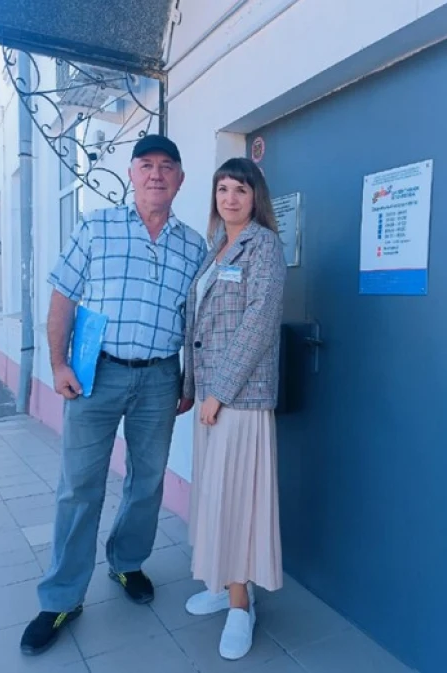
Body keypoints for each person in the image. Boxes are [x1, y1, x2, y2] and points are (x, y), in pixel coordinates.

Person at [19, 135, 207, 656]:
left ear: (180, 179)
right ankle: (62, 597)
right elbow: (63, 294)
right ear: (130, 174)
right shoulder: (96, 227)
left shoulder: (194, 246)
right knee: (79, 486)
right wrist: (57, 363)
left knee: (147, 481)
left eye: (166, 166)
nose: (156, 175)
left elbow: (196, 323)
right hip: (96, 374)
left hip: (160, 378)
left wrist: (188, 381)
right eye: (146, 165)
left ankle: (127, 562)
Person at [181, 157, 287, 660]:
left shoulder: (263, 246)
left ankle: (242, 606)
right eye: (222, 189)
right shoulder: (216, 247)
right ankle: (224, 585)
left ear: (255, 196)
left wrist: (219, 392)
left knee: (237, 501)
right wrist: (193, 388)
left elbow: (258, 323)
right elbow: (199, 326)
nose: (230, 198)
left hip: (239, 399)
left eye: (240, 189)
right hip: (211, 397)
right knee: (215, 496)